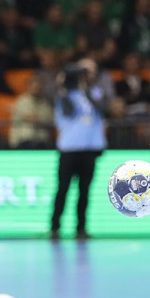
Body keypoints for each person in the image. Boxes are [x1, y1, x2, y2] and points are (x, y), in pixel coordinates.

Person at [49, 55, 108, 239]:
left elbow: (103, 110)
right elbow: (68, 111)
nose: (88, 75)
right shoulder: (63, 95)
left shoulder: (95, 93)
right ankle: (54, 227)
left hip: (89, 149)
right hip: (69, 149)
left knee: (84, 191)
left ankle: (81, 228)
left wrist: (86, 90)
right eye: (84, 71)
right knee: (63, 189)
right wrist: (63, 86)